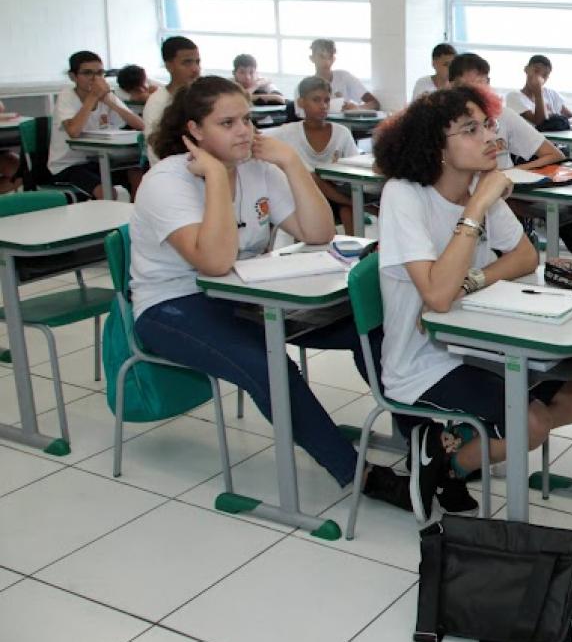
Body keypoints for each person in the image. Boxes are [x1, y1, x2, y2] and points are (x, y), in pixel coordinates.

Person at [129, 75, 414, 510]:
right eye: (227, 123)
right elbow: (214, 261)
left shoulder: (258, 167)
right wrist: (218, 179)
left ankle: (426, 443)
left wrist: (293, 165)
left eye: (246, 119)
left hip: (245, 296)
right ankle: (355, 472)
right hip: (173, 307)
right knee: (267, 364)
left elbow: (318, 232)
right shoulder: (166, 182)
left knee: (371, 325)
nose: (244, 131)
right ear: (193, 132)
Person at [373, 86, 572, 521]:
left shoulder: (480, 182)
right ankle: (448, 461)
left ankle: (448, 456)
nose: (489, 136)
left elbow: (524, 257)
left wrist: (473, 279)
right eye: (469, 129)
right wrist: (477, 205)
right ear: (436, 147)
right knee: (529, 423)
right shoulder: (405, 195)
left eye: (488, 124)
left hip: (479, 345)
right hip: (423, 362)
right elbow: (438, 296)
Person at [268, 76, 362, 232]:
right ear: (301, 102)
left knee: (347, 210)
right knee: (309, 178)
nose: (323, 105)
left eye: (326, 100)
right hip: (300, 195)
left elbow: (355, 166)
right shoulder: (287, 132)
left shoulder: (342, 133)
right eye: (316, 100)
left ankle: (354, 250)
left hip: (335, 193)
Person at [48, 51, 145, 199]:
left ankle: (135, 217)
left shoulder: (106, 95)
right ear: (73, 77)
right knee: (105, 192)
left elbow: (140, 125)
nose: (95, 79)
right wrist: (93, 96)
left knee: (137, 175)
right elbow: (73, 131)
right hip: (70, 165)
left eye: (100, 73)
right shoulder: (67, 96)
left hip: (99, 159)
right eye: (87, 73)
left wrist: (108, 100)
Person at [448, 54, 565, 172]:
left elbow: (554, 155)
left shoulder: (502, 115)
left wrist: (506, 174)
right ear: (453, 86)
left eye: (485, 81)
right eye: (476, 82)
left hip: (502, 187)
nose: (483, 88)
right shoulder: (444, 121)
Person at [142, 36, 202, 165]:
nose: (195, 69)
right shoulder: (157, 102)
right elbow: (155, 152)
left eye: (197, 62)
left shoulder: (203, 96)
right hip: (174, 170)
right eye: (187, 62)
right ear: (169, 66)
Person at [309, 38, 379, 111]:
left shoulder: (344, 77)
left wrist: (357, 108)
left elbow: (374, 104)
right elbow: (302, 117)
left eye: (329, 57)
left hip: (344, 122)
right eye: (321, 57)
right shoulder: (305, 87)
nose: (326, 62)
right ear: (312, 58)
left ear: (333, 59)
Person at [506, 54, 572, 129]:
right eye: (536, 71)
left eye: (545, 75)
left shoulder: (551, 94)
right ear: (526, 69)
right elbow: (540, 122)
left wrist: (559, 122)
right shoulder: (514, 96)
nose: (539, 77)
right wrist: (538, 91)